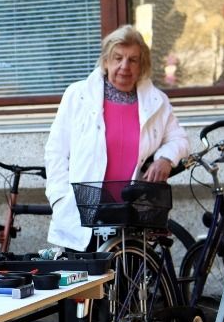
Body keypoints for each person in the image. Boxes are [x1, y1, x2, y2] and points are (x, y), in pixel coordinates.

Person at [44, 25, 190, 252]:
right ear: (106, 61)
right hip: (83, 212)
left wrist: (165, 158)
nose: (125, 66)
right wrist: (59, 197)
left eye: (133, 60)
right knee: (87, 274)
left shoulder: (156, 101)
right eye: (118, 58)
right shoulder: (78, 95)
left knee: (131, 273)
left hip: (131, 216)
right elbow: (56, 151)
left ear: (142, 65)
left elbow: (179, 139)